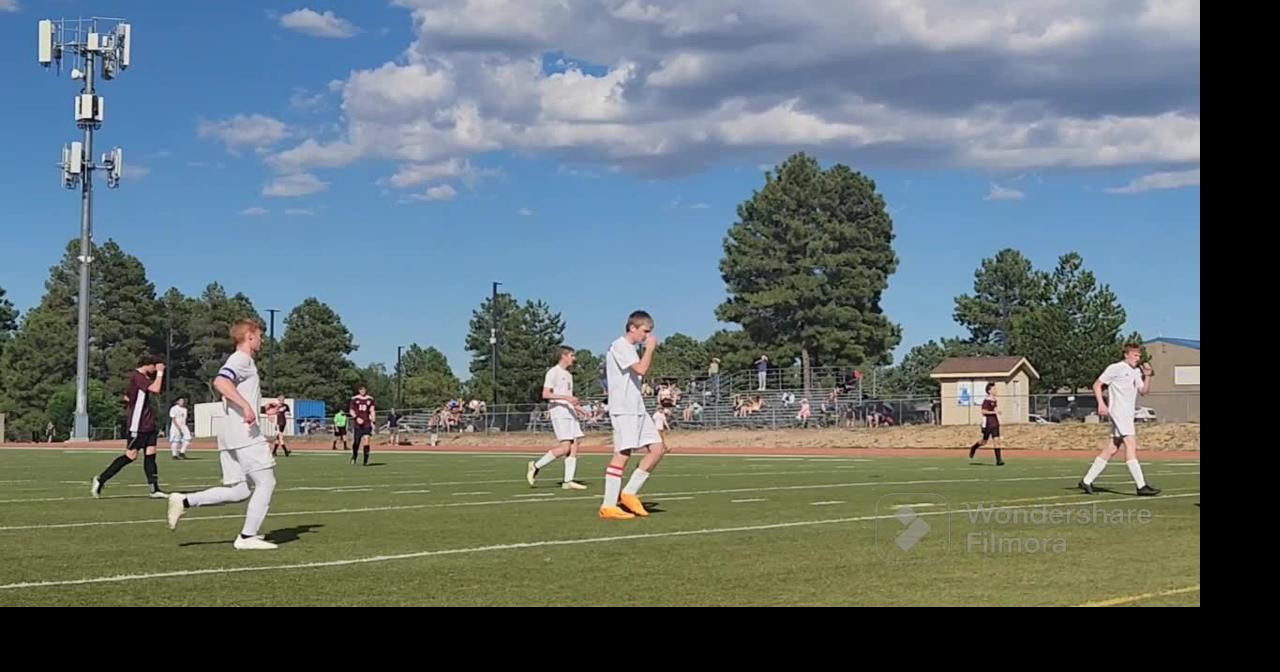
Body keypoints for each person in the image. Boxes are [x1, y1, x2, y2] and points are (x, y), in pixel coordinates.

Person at [165, 319, 280, 549]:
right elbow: (220, 382)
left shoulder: (240, 361)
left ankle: (185, 500)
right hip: (245, 435)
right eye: (259, 336)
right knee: (266, 483)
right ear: (249, 336)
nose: (262, 340)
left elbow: (233, 392)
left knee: (240, 491)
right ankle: (247, 538)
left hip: (230, 434)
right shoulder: (242, 359)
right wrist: (247, 407)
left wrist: (258, 408)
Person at [599, 311, 668, 520]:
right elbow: (641, 369)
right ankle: (608, 505)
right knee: (623, 452)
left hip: (636, 407)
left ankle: (629, 492)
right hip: (624, 408)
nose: (647, 336)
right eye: (645, 331)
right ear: (633, 328)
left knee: (657, 449)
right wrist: (649, 349)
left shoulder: (630, 348)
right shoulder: (620, 345)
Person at [1077, 344, 1161, 496]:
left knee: (1112, 448)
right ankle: (1141, 486)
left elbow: (1144, 391)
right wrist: (1101, 403)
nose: (1138, 359)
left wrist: (1147, 375)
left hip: (1128, 413)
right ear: (1126, 354)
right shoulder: (1115, 368)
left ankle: (1086, 481)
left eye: (1139, 356)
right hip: (1118, 412)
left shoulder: (1136, 371)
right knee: (1131, 443)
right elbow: (1097, 385)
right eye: (1135, 355)